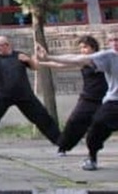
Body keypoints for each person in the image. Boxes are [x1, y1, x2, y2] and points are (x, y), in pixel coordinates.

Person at [36, 33, 118, 171]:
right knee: (93, 127)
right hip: (107, 101)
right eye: (112, 40)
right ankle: (90, 156)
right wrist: (47, 58)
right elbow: (74, 59)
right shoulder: (107, 57)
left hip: (102, 99)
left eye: (117, 40)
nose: (115, 43)